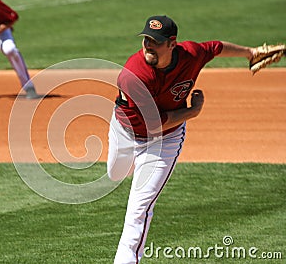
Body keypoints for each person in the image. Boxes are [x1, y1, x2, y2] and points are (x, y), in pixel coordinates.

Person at [107, 15, 259, 264]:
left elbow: (215, 47)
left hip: (164, 141)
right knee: (115, 174)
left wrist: (250, 53)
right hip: (126, 131)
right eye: (146, 39)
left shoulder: (190, 53)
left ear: (171, 43)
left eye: (155, 41)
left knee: (138, 211)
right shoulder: (134, 74)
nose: (148, 46)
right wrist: (192, 111)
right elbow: (153, 122)